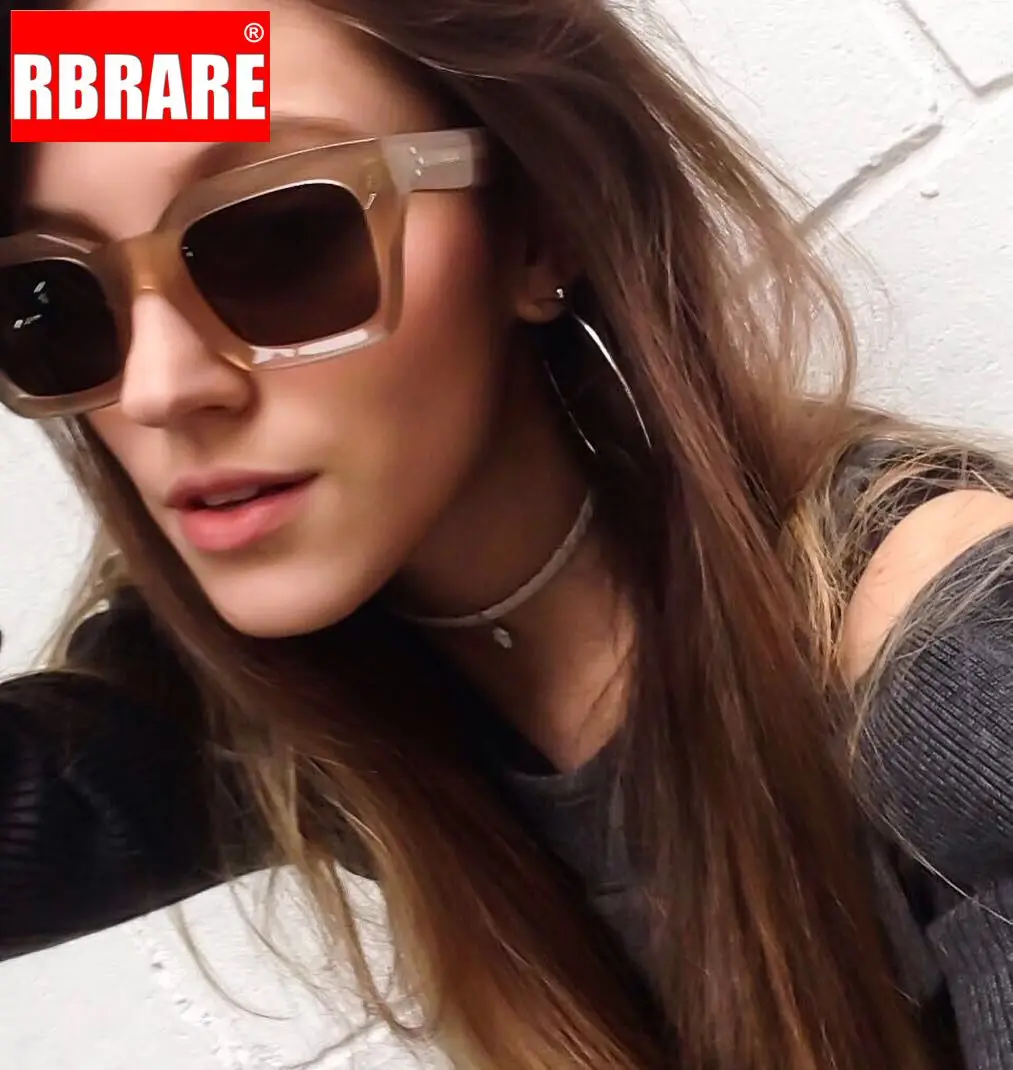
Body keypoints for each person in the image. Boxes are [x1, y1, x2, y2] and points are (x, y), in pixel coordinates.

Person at [1, 0, 1012, 1068]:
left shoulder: (953, 662)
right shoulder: (317, 696)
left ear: (538, 229)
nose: (157, 388)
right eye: (50, 300)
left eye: (277, 239)